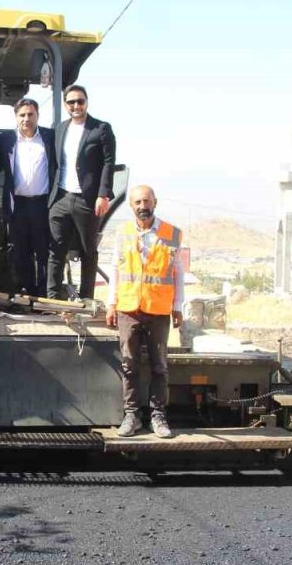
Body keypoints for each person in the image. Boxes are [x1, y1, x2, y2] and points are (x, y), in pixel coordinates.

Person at [105, 186, 184, 438]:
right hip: (129, 309)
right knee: (129, 365)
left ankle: (158, 417)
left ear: (155, 202)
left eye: (147, 201)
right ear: (131, 205)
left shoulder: (171, 233)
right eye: (138, 201)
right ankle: (132, 416)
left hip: (159, 310)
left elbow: (178, 274)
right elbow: (115, 271)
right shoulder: (122, 233)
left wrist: (177, 307)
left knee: (159, 366)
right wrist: (111, 303)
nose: (143, 206)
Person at [47, 84, 117, 301]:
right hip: (60, 197)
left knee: (88, 251)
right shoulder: (59, 129)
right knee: (55, 249)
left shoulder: (101, 128)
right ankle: (53, 295)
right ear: (66, 105)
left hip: (87, 199)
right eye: (71, 102)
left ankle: (86, 296)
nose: (76, 106)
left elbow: (108, 162)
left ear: (87, 102)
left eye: (80, 101)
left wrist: (103, 194)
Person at [0, 98, 56, 297]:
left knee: (43, 250)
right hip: (16, 204)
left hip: (43, 204)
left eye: (30, 114)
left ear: (38, 116)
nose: (26, 119)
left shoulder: (50, 137)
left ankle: (44, 292)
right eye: (22, 115)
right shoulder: (5, 139)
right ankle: (26, 290)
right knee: (20, 250)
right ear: (16, 117)